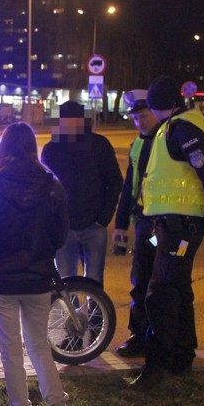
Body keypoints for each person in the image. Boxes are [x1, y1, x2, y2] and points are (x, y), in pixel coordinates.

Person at [0, 122, 73, 406]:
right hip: (38, 276)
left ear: (4, 148)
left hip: (1, 279)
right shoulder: (51, 185)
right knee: (40, 346)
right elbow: (61, 235)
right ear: (32, 147)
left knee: (11, 349)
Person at [130, 76, 204, 390]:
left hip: (181, 225)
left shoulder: (181, 130)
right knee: (178, 291)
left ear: (160, 107)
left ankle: (157, 367)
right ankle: (182, 357)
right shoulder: (175, 127)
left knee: (159, 295)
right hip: (173, 225)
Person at [41, 100, 122, 287]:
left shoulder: (99, 145)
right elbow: (45, 189)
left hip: (94, 226)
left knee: (94, 284)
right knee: (65, 284)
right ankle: (71, 317)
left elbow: (114, 181)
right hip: (64, 228)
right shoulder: (52, 149)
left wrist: (103, 218)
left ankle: (97, 317)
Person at [111, 90, 160, 358]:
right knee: (140, 279)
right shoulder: (138, 144)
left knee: (158, 279)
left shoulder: (165, 141)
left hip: (162, 222)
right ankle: (139, 335)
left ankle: (157, 336)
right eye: (135, 117)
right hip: (145, 221)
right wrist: (120, 224)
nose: (139, 121)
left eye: (143, 116)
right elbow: (130, 186)